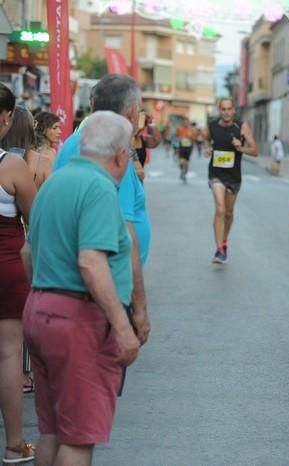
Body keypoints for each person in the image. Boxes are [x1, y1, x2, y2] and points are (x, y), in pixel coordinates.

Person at [21, 112, 141, 466]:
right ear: (120, 154)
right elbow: (91, 261)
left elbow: (28, 253)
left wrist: (48, 298)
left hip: (40, 310)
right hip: (77, 319)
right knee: (78, 440)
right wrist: (123, 327)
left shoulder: (55, 182)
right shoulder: (100, 187)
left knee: (52, 430)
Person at [54, 73, 151, 340]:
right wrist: (138, 308)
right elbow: (124, 233)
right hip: (100, 296)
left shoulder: (74, 142)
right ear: (131, 113)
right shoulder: (113, 153)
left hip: (63, 290)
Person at [0, 84, 37, 465]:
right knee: (9, 354)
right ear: (6, 118)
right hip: (5, 267)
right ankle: (13, 446)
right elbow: (35, 219)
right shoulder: (10, 166)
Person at [202, 98, 258, 264]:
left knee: (228, 212)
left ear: (233, 110)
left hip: (233, 176)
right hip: (216, 173)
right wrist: (207, 148)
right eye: (223, 109)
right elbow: (205, 140)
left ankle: (224, 241)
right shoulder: (212, 126)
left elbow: (255, 151)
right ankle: (219, 249)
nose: (226, 112)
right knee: (219, 209)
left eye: (229, 109)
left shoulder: (241, 127)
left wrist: (241, 148)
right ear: (220, 110)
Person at [176, 118, 197, 182]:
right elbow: (177, 136)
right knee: (181, 162)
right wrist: (179, 138)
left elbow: (195, 138)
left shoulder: (192, 130)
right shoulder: (180, 129)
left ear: (188, 123)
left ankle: (184, 174)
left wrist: (190, 137)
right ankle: (182, 171)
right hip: (182, 147)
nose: (185, 124)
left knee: (186, 162)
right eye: (184, 123)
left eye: (186, 123)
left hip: (189, 148)